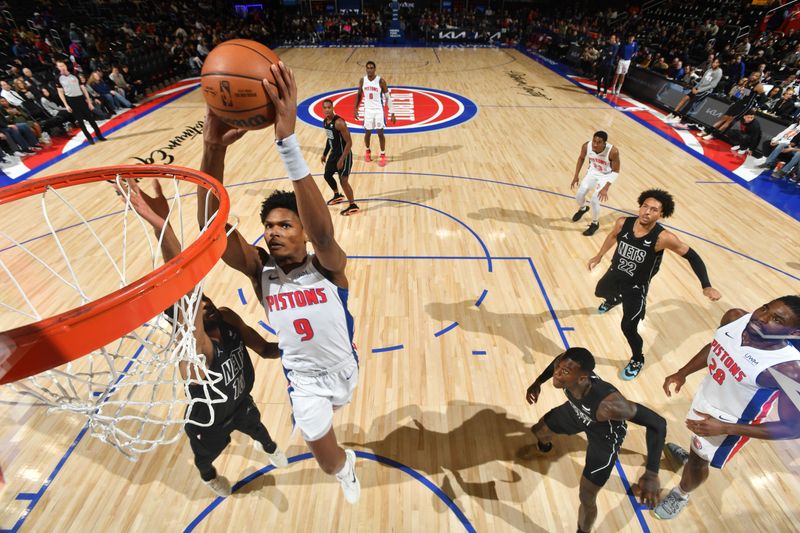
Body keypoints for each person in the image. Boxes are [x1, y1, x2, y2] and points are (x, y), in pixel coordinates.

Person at [195, 62, 361, 503]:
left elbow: (324, 233)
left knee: (335, 410)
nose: (273, 231)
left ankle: (341, 455)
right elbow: (211, 230)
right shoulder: (260, 272)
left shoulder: (327, 265)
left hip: (345, 369)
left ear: (303, 231)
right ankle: (346, 467)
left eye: (286, 225)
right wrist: (213, 150)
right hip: (304, 380)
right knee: (327, 461)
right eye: (268, 225)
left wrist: (288, 143)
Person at [123, 179, 289, 497]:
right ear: (185, 322)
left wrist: (299, 346)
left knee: (261, 432)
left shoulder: (225, 317)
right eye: (199, 306)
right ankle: (209, 477)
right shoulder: (196, 352)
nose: (207, 304)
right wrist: (162, 226)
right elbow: (184, 285)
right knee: (205, 459)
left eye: (206, 300)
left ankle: (269, 448)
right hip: (208, 421)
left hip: (240, 402)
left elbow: (267, 350)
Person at [654, 296, 800, 520]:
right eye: (764, 307)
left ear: (794, 334)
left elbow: (793, 428)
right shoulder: (735, 317)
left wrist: (725, 427)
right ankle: (693, 456)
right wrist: (682, 372)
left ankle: (682, 493)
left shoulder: (787, 369)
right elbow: (717, 345)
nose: (760, 318)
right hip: (707, 396)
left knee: (699, 460)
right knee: (697, 450)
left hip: (730, 422)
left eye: (777, 320)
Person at [526, 347, 666, 533]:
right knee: (539, 431)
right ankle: (545, 447)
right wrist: (538, 382)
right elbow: (556, 362)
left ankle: (583, 531)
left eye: (565, 372)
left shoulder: (611, 405)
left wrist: (651, 473)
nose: (557, 374)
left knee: (586, 495)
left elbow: (658, 423)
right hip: (577, 412)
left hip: (605, 436)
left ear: (582, 378)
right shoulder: (565, 372)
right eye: (559, 368)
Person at [588, 189, 721, 380]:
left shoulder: (663, 238)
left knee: (628, 327)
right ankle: (615, 298)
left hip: (636, 286)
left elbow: (692, 256)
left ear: (661, 214)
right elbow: (612, 236)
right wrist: (599, 255)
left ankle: (637, 359)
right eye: (645, 206)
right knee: (599, 291)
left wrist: (706, 285)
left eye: (654, 209)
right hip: (615, 273)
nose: (647, 212)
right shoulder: (622, 223)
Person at [570, 131, 620, 236]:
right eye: (594, 141)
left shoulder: (613, 151)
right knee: (579, 196)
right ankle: (583, 208)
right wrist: (576, 175)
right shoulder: (586, 146)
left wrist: (606, 188)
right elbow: (581, 158)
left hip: (605, 176)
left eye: (599, 142)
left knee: (594, 200)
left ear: (604, 143)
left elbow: (615, 171)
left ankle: (595, 223)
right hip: (592, 173)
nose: (595, 144)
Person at [353, 60, 395, 167]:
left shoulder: (381, 81)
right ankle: (367, 151)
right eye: (368, 68)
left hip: (378, 111)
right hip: (367, 111)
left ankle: (382, 155)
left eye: (372, 68)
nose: (370, 69)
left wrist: (392, 112)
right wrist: (355, 108)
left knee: (380, 133)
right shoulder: (362, 80)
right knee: (367, 133)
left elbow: (387, 97)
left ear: (375, 69)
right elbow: (359, 95)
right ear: (366, 69)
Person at [320, 98, 358, 216]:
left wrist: (342, 159)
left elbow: (349, 142)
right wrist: (325, 153)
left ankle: (353, 205)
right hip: (334, 154)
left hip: (344, 155)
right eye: (325, 108)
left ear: (333, 108)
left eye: (329, 107)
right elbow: (329, 138)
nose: (327, 110)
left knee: (343, 180)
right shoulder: (325, 122)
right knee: (327, 175)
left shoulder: (339, 122)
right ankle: (337, 195)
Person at [54, 60, 106, 145]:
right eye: (59, 66)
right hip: (71, 100)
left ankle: (99, 135)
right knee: (81, 122)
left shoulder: (74, 75)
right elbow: (60, 92)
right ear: (57, 68)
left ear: (65, 65)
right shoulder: (58, 78)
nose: (62, 67)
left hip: (81, 99)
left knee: (91, 119)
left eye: (62, 65)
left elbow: (83, 88)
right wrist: (66, 105)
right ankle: (89, 138)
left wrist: (89, 101)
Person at [701, 71, 764, 141]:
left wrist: (756, 107)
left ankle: (713, 135)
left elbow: (763, 97)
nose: (753, 77)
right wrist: (741, 90)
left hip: (745, 106)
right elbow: (745, 93)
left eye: (756, 76)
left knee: (729, 120)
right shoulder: (747, 82)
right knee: (724, 117)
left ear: (758, 78)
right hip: (739, 102)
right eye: (753, 75)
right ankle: (707, 130)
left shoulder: (759, 86)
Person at [665, 58, 722, 124]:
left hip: (705, 91)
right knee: (685, 98)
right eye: (714, 62)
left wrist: (699, 90)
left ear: (719, 64)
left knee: (691, 103)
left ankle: (679, 117)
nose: (714, 64)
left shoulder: (719, 72)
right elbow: (701, 81)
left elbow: (713, 85)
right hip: (698, 88)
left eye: (716, 63)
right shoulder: (709, 70)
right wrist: (694, 88)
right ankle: (673, 113)